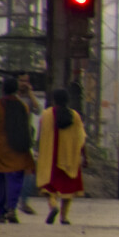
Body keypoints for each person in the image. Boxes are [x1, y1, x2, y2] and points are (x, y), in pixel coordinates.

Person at [0, 76, 36, 223]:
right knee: (15, 179)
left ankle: (1, 212)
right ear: (16, 90)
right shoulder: (23, 107)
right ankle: (12, 208)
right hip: (17, 148)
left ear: (3, 89)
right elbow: (25, 128)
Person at [34, 88, 86, 226]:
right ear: (68, 100)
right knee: (68, 189)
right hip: (70, 159)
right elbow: (81, 138)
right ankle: (64, 217)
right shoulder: (75, 116)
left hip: (50, 159)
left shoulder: (46, 114)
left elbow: (40, 136)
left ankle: (53, 206)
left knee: (49, 187)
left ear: (54, 100)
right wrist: (85, 157)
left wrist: (37, 151)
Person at [14, 73, 42, 215]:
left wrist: (30, 93)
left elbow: (38, 111)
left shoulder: (29, 99)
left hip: (26, 139)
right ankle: (12, 205)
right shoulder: (12, 97)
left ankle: (23, 201)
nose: (24, 83)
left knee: (29, 172)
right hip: (11, 139)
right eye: (22, 80)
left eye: (27, 81)